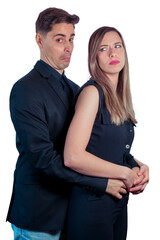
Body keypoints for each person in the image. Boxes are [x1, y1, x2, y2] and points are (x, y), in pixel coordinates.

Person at [6, 8, 113, 240]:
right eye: (59, 39)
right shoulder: (25, 89)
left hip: (74, 212)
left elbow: (96, 141)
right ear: (39, 39)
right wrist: (101, 183)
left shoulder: (76, 90)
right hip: (39, 217)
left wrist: (131, 164)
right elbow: (43, 157)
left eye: (71, 39)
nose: (68, 47)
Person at [64, 26, 149, 240]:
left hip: (117, 205)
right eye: (103, 49)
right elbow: (72, 156)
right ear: (94, 58)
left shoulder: (120, 97)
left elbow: (111, 149)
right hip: (91, 206)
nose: (112, 53)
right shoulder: (92, 93)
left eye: (117, 46)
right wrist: (124, 173)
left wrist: (137, 168)